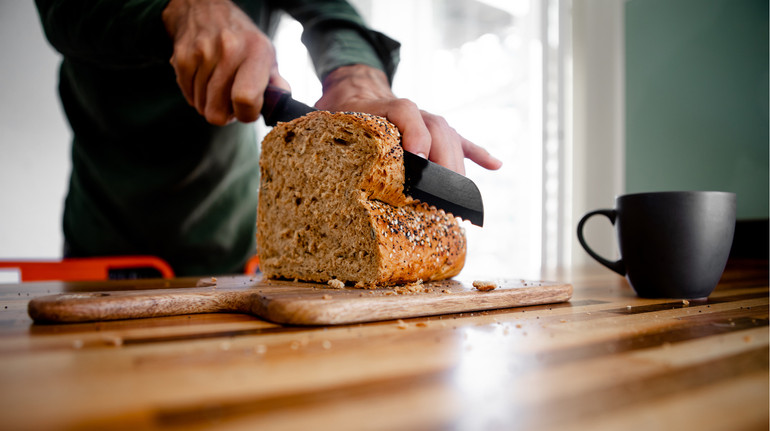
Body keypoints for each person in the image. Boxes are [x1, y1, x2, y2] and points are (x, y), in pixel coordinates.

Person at [35, 0, 502, 276]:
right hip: (107, 235)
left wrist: (355, 76)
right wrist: (176, 8)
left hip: (242, 247)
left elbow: (332, 12)